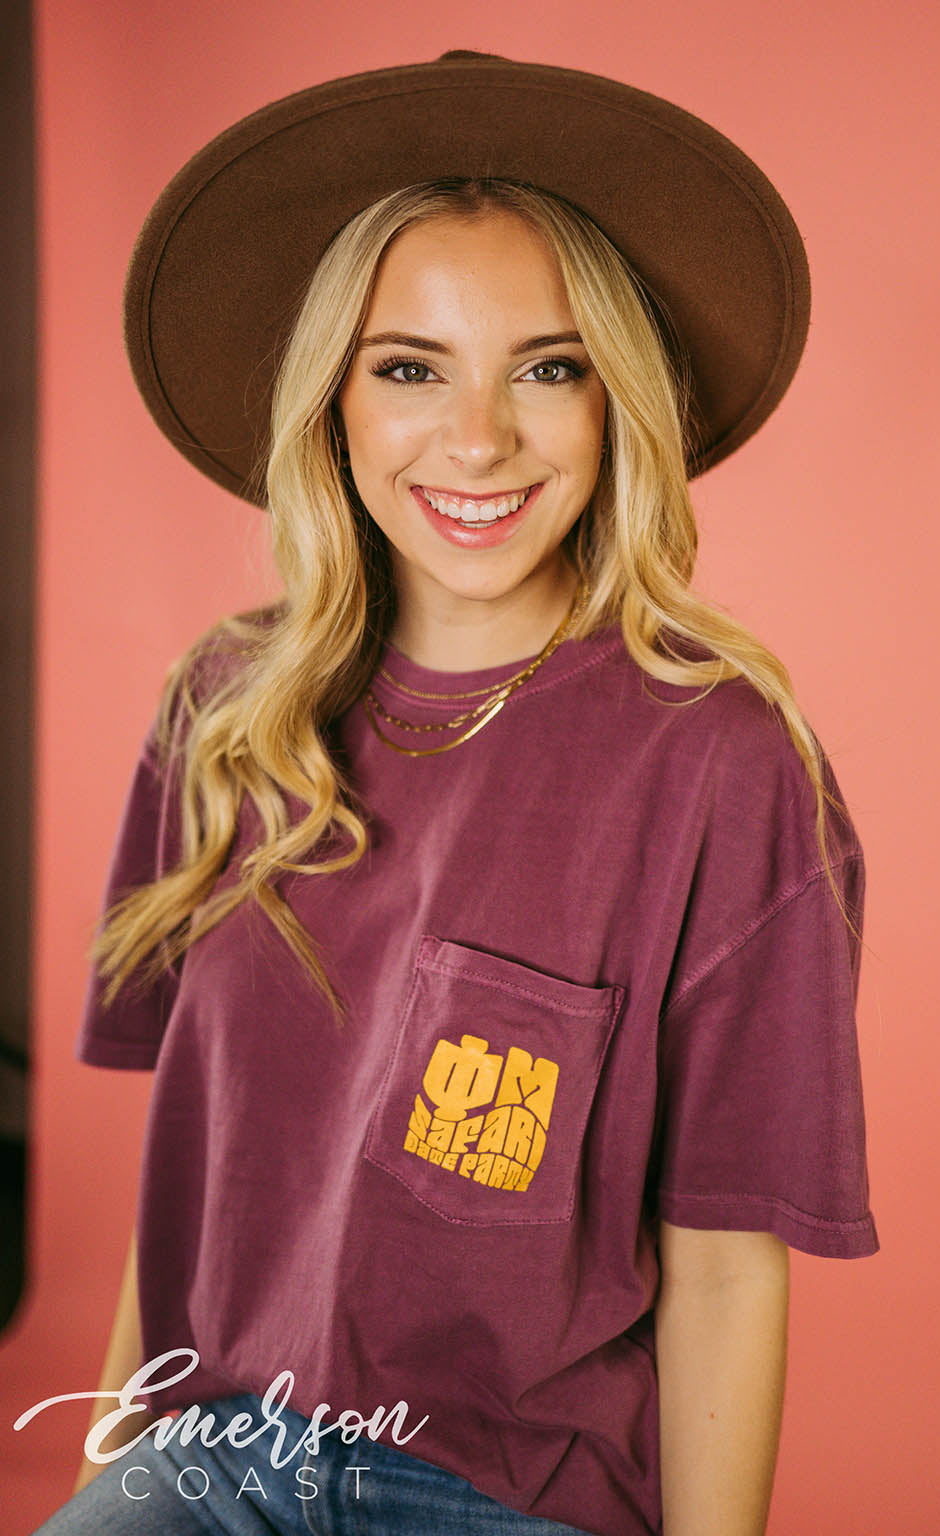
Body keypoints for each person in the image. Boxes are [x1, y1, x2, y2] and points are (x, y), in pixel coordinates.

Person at [35, 50, 878, 1536]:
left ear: (615, 403)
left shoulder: (721, 761)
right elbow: (189, 1173)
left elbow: (726, 1269)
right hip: (209, 1461)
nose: (478, 437)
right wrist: (110, 1482)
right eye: (410, 367)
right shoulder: (225, 711)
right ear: (332, 405)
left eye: (548, 368)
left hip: (503, 1495)